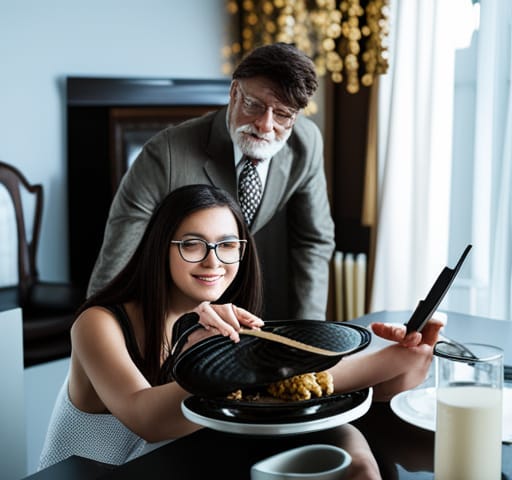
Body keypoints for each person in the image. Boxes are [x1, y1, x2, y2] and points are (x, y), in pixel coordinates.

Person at [39, 184, 443, 479]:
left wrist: (402, 358)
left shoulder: (220, 323)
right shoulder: (99, 323)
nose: (213, 261)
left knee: (348, 441)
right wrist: (227, 364)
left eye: (228, 244)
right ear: (159, 247)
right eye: (193, 244)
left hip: (169, 469)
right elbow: (147, 419)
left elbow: (289, 384)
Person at [87, 42, 335, 321]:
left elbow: (313, 241)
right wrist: (97, 331)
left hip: (264, 320)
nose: (265, 125)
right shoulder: (164, 155)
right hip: (177, 322)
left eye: (282, 114)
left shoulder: (307, 143)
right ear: (233, 92)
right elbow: (118, 265)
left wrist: (310, 334)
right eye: (254, 105)